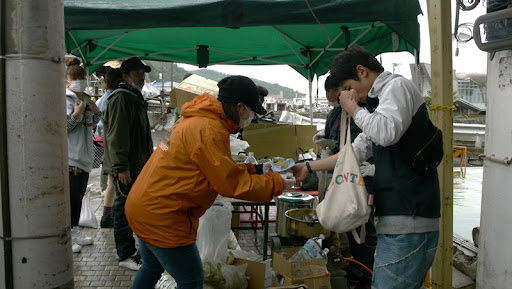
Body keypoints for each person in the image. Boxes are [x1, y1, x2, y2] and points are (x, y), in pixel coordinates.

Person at [125, 75, 296, 289]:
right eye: (251, 110)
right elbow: (230, 184)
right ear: (239, 106)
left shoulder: (199, 119)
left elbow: (217, 168)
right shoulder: (210, 130)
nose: (251, 117)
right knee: (192, 280)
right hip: (164, 217)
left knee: (151, 268)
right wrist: (278, 182)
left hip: (143, 206)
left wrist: (259, 169)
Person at [295, 45, 441, 289]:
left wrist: (353, 108)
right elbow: (353, 152)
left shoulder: (397, 87)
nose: (346, 99)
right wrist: (309, 167)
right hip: (399, 218)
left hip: (410, 218)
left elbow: (385, 134)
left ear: (362, 71)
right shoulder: (381, 105)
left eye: (346, 90)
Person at [310, 74, 377, 289]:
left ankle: (366, 274)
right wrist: (325, 141)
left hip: (362, 177)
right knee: (347, 222)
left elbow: (360, 147)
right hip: (339, 172)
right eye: (333, 99)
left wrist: (373, 168)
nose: (337, 101)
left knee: (364, 225)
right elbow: (342, 144)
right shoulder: (336, 112)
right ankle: (355, 268)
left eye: (339, 96)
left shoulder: (363, 113)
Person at [103, 57, 154, 270]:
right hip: (126, 167)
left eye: (143, 74)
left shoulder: (133, 97)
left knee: (131, 208)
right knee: (123, 209)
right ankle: (124, 254)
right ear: (125, 76)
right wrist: (121, 167)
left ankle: (132, 250)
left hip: (137, 165)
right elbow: (117, 136)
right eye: (136, 74)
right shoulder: (122, 98)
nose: (141, 78)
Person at [65, 57, 101, 253]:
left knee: (78, 196)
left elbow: (94, 124)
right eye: (75, 77)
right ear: (66, 81)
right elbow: (61, 128)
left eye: (81, 76)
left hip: (85, 157)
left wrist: (96, 112)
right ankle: (68, 235)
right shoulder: (64, 99)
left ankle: (75, 229)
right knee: (70, 198)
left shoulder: (86, 98)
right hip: (71, 157)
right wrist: (76, 115)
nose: (79, 80)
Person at [95, 68, 123, 228]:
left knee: (110, 178)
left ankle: (107, 215)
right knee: (113, 180)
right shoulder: (114, 98)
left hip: (105, 141)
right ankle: (108, 216)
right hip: (111, 143)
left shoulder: (106, 97)